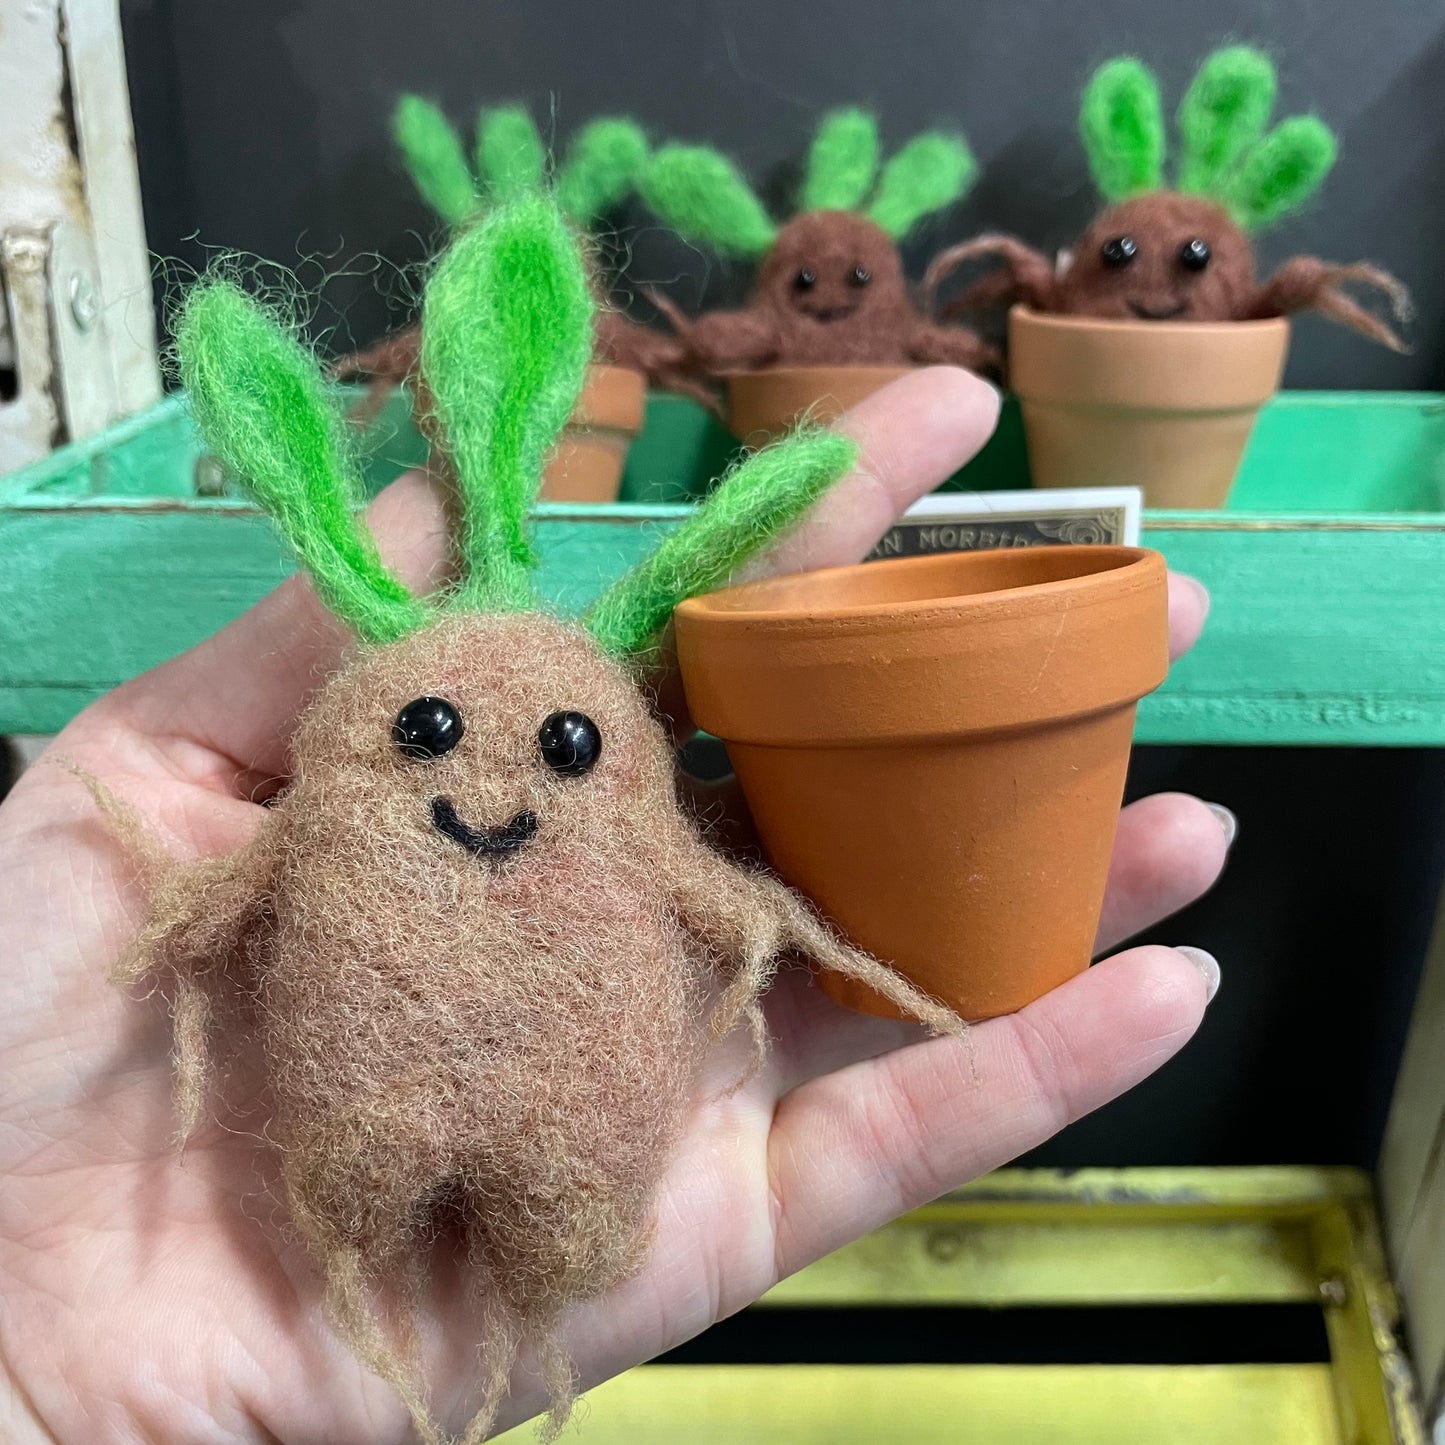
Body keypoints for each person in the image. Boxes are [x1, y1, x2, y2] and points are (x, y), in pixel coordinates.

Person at [0, 370, 1229, 1441]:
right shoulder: (343, 816)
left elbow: (696, 880)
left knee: (563, 1211)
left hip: (565, 1134)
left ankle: (548, 1206)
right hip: (358, 1121)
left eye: (567, 745)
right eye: (424, 735)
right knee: (381, 1172)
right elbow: (247, 884)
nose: (488, 788)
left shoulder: (611, 834)